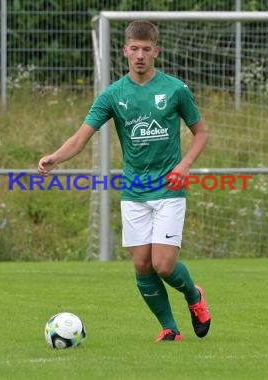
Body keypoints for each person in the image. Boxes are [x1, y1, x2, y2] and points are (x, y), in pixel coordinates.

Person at [38, 19, 211, 342]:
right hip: (134, 192)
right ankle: (170, 329)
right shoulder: (113, 95)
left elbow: (201, 133)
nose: (140, 55)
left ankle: (195, 298)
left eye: (147, 49)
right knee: (142, 266)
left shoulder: (174, 89)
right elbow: (81, 138)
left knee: (163, 264)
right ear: (125, 51)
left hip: (169, 189)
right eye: (135, 49)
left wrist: (185, 164)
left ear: (156, 51)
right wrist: (55, 158)